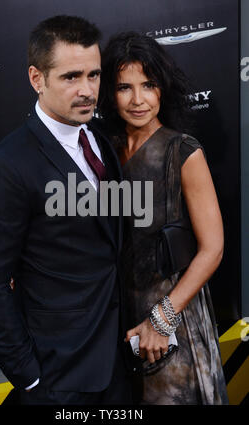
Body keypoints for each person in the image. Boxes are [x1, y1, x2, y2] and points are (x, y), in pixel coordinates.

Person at [0, 16, 132, 405]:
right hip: (59, 378)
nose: (87, 90)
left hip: (120, 364)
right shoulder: (6, 166)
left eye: (93, 76)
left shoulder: (101, 139)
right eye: (71, 77)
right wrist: (30, 380)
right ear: (36, 78)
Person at [98, 31, 229, 405]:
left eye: (149, 85)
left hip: (173, 317)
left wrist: (161, 319)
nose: (138, 100)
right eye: (125, 87)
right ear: (110, 91)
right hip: (117, 318)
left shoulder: (182, 152)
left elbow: (212, 249)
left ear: (163, 88)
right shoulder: (103, 150)